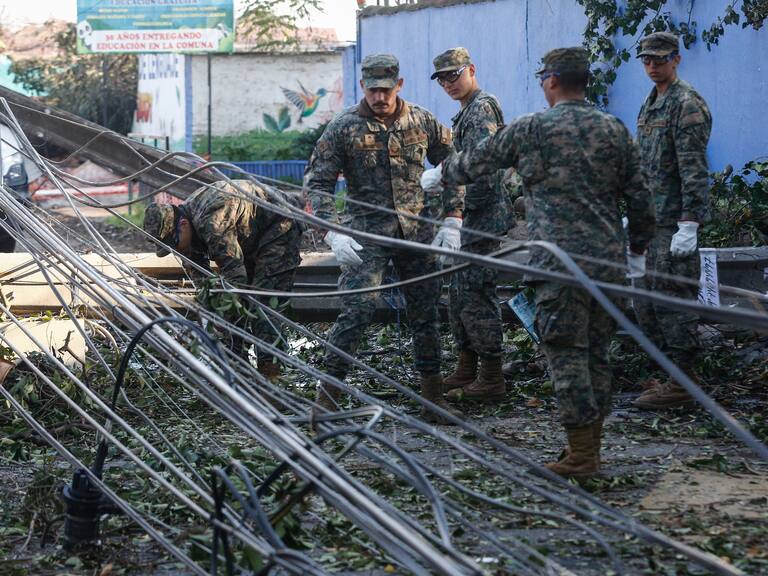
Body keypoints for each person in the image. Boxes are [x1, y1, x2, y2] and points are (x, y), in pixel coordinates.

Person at [429, 47, 655, 476]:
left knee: (566, 353)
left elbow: (478, 160)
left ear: (550, 80)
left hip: (558, 266)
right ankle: (592, 445)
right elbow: (641, 198)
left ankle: (582, 454)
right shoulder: (614, 129)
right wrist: (638, 251)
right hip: (608, 263)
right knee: (597, 354)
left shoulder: (532, 129)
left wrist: (439, 174)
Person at [304, 53, 463, 423]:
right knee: (356, 311)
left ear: (400, 85)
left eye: (386, 90)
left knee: (425, 313)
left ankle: (433, 398)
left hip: (417, 231)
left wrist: (452, 218)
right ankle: (327, 399)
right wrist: (330, 231)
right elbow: (318, 182)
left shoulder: (421, 120)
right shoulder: (344, 127)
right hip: (366, 235)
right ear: (363, 87)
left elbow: (454, 163)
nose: (380, 97)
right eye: (373, 90)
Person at [143, 179, 303, 382]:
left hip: (280, 226)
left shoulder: (211, 222)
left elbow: (236, 278)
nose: (176, 250)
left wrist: (220, 317)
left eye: (174, 243)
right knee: (229, 307)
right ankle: (238, 373)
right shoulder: (185, 231)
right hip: (250, 234)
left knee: (263, 303)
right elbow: (204, 289)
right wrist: (204, 319)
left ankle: (269, 379)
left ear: (182, 225)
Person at [631, 32, 712, 410]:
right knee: (646, 303)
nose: (652, 66)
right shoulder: (650, 104)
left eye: (659, 60)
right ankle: (671, 375)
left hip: (674, 222)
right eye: (646, 60)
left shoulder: (686, 104)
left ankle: (685, 383)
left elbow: (694, 169)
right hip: (651, 221)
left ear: (676, 60)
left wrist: (690, 222)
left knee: (672, 302)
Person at [424, 47, 509, 402]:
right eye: (442, 78)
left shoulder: (480, 109)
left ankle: (491, 376)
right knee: (459, 293)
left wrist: (456, 207)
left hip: (481, 214)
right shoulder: (466, 112)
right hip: (470, 215)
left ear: (471, 70)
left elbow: (484, 164)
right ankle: (467, 365)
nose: (448, 83)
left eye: (454, 75)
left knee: (475, 293)